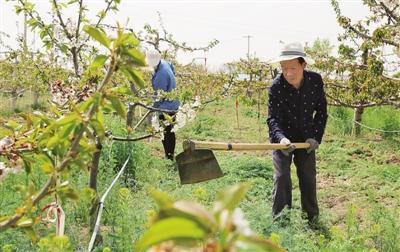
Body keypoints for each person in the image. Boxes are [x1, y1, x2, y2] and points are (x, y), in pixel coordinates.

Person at [267, 42, 328, 222]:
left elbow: (322, 112)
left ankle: (311, 219)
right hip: (282, 138)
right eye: (284, 68)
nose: (288, 73)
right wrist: (282, 139)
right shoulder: (276, 87)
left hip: (306, 138)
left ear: (304, 65)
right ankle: (281, 221)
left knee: (308, 177)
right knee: (282, 177)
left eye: (293, 68)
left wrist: (315, 137)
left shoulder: (315, 81)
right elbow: (273, 119)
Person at [146, 50, 180, 161]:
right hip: (173, 102)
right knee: (169, 131)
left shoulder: (161, 76)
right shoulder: (165, 63)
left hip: (167, 107)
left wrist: (152, 107)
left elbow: (159, 97)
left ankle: (169, 157)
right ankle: (169, 155)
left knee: (166, 132)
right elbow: (172, 68)